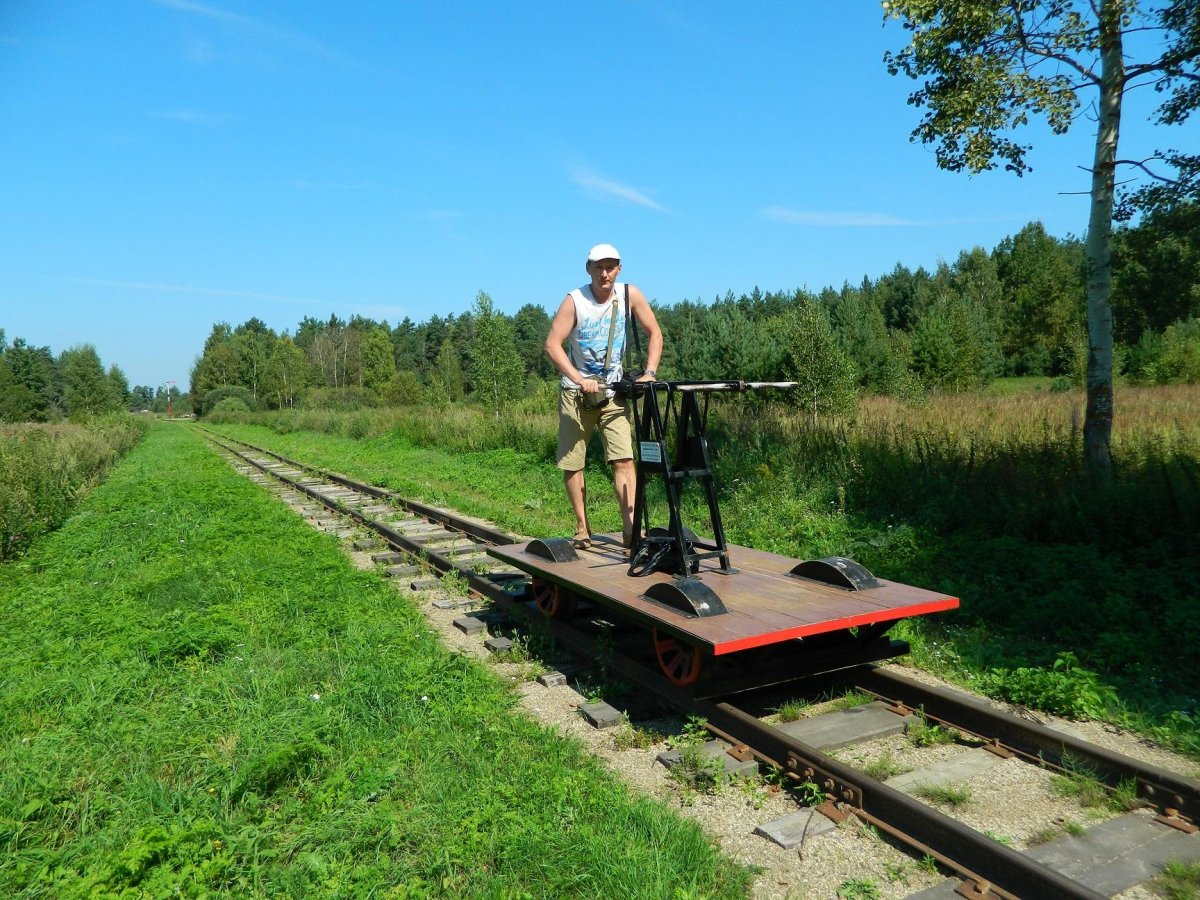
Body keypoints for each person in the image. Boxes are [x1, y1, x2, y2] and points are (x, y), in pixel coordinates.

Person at [545, 243, 663, 550]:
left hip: (613, 394)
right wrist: (578, 378)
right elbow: (553, 345)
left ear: (619, 269)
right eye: (598, 267)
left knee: (624, 459)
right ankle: (582, 527)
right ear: (589, 269)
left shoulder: (628, 295)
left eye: (610, 267)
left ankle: (631, 530)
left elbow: (655, 332)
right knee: (574, 462)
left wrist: (649, 373)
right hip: (577, 395)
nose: (604, 273)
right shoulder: (574, 301)